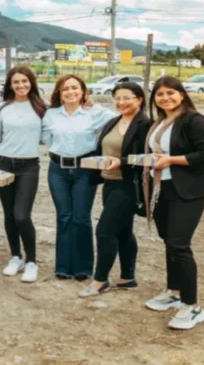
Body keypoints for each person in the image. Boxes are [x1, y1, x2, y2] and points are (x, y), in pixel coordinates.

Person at [143, 76, 204, 330]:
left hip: (187, 191)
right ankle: (174, 292)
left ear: (182, 94)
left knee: (179, 244)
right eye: (159, 94)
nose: (165, 98)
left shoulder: (193, 120)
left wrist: (171, 160)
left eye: (170, 93)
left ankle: (193, 306)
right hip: (162, 189)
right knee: (170, 242)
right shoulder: (160, 121)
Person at [42, 75, 118, 281]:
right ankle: (63, 266)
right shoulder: (50, 115)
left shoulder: (95, 114)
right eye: (65, 88)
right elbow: (44, 138)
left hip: (85, 169)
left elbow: (121, 117)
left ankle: (83, 268)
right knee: (64, 216)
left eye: (75, 88)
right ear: (59, 93)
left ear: (83, 92)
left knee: (81, 218)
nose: (70, 92)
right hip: (58, 169)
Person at [79, 82, 150, 298]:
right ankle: (128, 277)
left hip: (129, 185)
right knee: (123, 231)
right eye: (117, 98)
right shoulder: (114, 121)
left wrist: (122, 161)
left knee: (104, 231)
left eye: (127, 98)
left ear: (139, 99)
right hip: (109, 183)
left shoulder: (145, 125)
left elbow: (147, 158)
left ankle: (100, 280)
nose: (121, 102)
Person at [0, 66, 46, 283]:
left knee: (22, 215)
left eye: (25, 81)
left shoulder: (41, 108)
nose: (21, 85)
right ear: (10, 85)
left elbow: (49, 136)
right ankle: (15, 257)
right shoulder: (2, 109)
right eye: (16, 82)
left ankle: (31, 261)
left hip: (29, 166)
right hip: (3, 164)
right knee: (9, 215)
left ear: (31, 83)